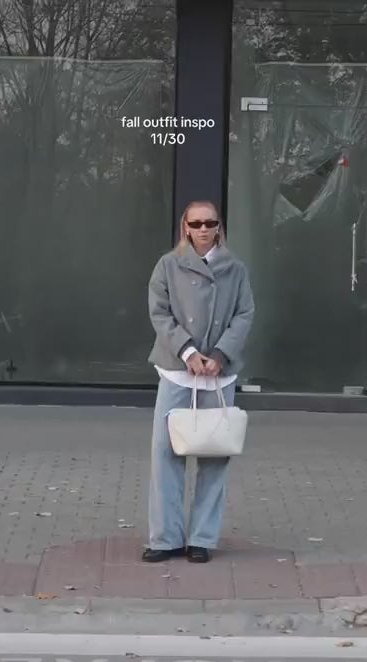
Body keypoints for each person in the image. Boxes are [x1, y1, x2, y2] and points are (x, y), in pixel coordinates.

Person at [143, 200, 255, 564]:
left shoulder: (235, 269)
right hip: (177, 371)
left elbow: (244, 314)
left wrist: (220, 354)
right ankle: (165, 538)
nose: (204, 229)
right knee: (165, 455)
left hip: (219, 375)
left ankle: (202, 538)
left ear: (219, 226)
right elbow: (160, 313)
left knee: (215, 457)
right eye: (196, 223)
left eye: (210, 222)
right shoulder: (168, 265)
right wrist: (188, 352)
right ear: (185, 227)